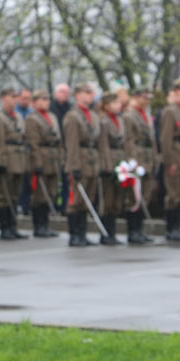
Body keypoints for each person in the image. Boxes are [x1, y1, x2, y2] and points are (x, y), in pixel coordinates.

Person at [63, 83, 100, 247]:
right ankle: (74, 235)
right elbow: (71, 144)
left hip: (91, 160)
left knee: (88, 199)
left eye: (92, 92)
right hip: (79, 161)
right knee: (76, 199)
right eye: (87, 92)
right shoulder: (72, 116)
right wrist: (73, 167)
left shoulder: (92, 115)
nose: (91, 95)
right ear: (77, 95)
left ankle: (82, 233)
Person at [159, 79, 180, 241]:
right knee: (173, 194)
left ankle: (179, 227)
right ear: (177, 91)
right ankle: (171, 228)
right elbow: (166, 139)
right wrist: (169, 161)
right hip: (176, 156)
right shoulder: (170, 111)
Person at [122, 88, 157, 244]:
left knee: (145, 196)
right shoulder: (129, 116)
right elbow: (128, 140)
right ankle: (133, 230)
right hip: (137, 159)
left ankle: (139, 230)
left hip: (148, 159)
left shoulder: (146, 116)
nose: (147, 101)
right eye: (144, 98)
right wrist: (132, 162)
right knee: (135, 197)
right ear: (136, 97)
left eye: (149, 98)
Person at [25, 89, 61, 238]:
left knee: (51, 193)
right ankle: (38, 225)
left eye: (47, 98)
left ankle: (46, 224)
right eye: (43, 99)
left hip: (53, 158)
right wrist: (37, 164)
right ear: (35, 102)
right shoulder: (32, 119)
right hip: (41, 158)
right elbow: (33, 143)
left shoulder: (52, 116)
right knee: (39, 194)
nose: (47, 101)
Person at [0, 88, 28, 240]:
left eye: (16, 97)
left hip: (19, 158)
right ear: (3, 98)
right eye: (11, 97)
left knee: (14, 195)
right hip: (7, 158)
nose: (14, 99)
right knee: (4, 195)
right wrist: (0, 161)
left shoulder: (19, 116)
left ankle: (13, 226)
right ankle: (5, 227)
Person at [95, 92, 125, 245]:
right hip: (108, 161)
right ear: (106, 105)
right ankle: (105, 233)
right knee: (107, 199)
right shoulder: (103, 121)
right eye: (115, 103)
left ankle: (113, 232)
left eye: (119, 103)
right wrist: (106, 166)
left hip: (119, 160)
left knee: (116, 200)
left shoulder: (119, 120)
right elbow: (103, 145)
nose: (118, 105)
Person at [51, 83, 72, 214]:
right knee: (53, 179)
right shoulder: (51, 108)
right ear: (56, 93)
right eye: (62, 92)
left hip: (68, 147)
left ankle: (64, 206)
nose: (65, 94)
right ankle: (53, 205)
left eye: (66, 92)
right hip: (57, 146)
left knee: (66, 179)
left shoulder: (70, 108)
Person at [15, 88, 33, 215]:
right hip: (17, 151)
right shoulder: (15, 113)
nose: (26, 101)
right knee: (18, 180)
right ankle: (18, 204)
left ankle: (26, 205)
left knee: (28, 181)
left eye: (28, 98)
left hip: (28, 151)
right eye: (24, 98)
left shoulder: (31, 113)